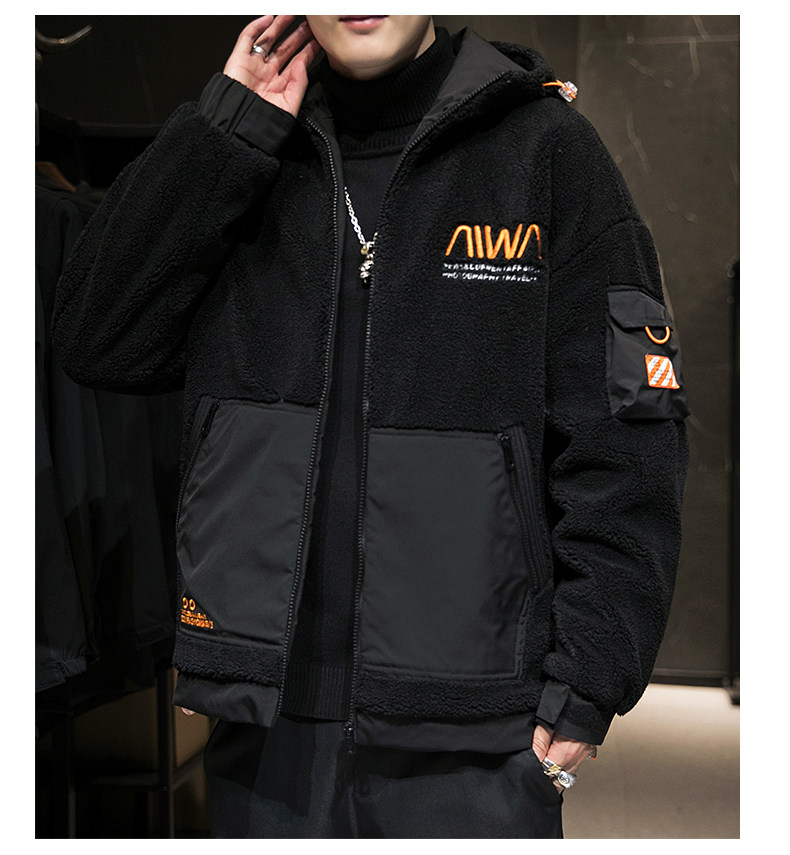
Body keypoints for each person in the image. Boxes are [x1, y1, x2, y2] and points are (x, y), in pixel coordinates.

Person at [52, 14, 689, 838]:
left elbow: (633, 431)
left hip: (477, 732)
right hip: (266, 727)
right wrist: (228, 130)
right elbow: (97, 336)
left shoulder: (546, 151)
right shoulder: (248, 148)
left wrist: (592, 678)